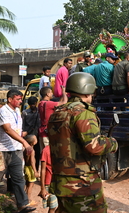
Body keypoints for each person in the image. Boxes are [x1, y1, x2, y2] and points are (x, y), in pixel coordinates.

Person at [47, 72, 118, 212]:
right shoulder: (83, 113)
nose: (92, 96)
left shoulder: (57, 113)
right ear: (87, 91)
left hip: (61, 181)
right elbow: (94, 146)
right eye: (92, 93)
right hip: (82, 184)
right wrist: (112, 143)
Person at [0, 89, 36, 213]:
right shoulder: (2, 111)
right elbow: (7, 129)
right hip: (2, 150)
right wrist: (24, 142)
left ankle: (22, 205)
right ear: (10, 99)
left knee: (19, 178)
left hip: (16, 149)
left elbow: (16, 130)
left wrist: (23, 138)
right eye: (18, 99)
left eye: (21, 99)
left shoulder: (17, 111)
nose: (20, 101)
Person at [38, 86, 67, 153]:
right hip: (47, 132)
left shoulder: (41, 103)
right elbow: (64, 103)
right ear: (47, 94)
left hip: (42, 131)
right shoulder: (48, 104)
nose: (52, 94)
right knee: (48, 154)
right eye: (51, 92)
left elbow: (59, 103)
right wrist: (63, 92)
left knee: (43, 154)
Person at [21, 96, 41, 169]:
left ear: (36, 103)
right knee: (28, 154)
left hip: (37, 135)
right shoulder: (25, 113)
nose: (32, 105)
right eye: (31, 104)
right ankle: (29, 170)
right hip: (29, 137)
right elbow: (22, 125)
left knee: (37, 153)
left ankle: (35, 169)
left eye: (33, 104)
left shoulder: (39, 112)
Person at [38, 145, 58, 213]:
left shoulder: (62, 147)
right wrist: (43, 188)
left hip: (60, 181)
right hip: (49, 183)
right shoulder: (46, 150)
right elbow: (42, 170)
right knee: (53, 206)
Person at [23, 135, 39, 206]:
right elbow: (32, 161)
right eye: (35, 139)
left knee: (27, 184)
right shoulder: (32, 150)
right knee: (31, 185)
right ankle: (28, 200)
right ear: (32, 143)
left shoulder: (25, 149)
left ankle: (25, 198)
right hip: (30, 169)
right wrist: (35, 171)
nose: (37, 139)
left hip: (26, 168)